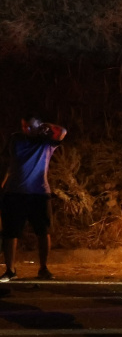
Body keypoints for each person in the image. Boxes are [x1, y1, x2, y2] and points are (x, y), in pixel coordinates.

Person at [1, 115, 68, 281]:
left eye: (30, 127)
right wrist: (2, 185)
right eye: (25, 126)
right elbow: (7, 164)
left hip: (39, 193)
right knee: (10, 233)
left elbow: (63, 131)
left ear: (38, 128)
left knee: (43, 232)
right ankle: (10, 270)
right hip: (15, 193)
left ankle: (43, 268)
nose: (26, 129)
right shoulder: (15, 140)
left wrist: (46, 125)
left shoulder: (46, 144)